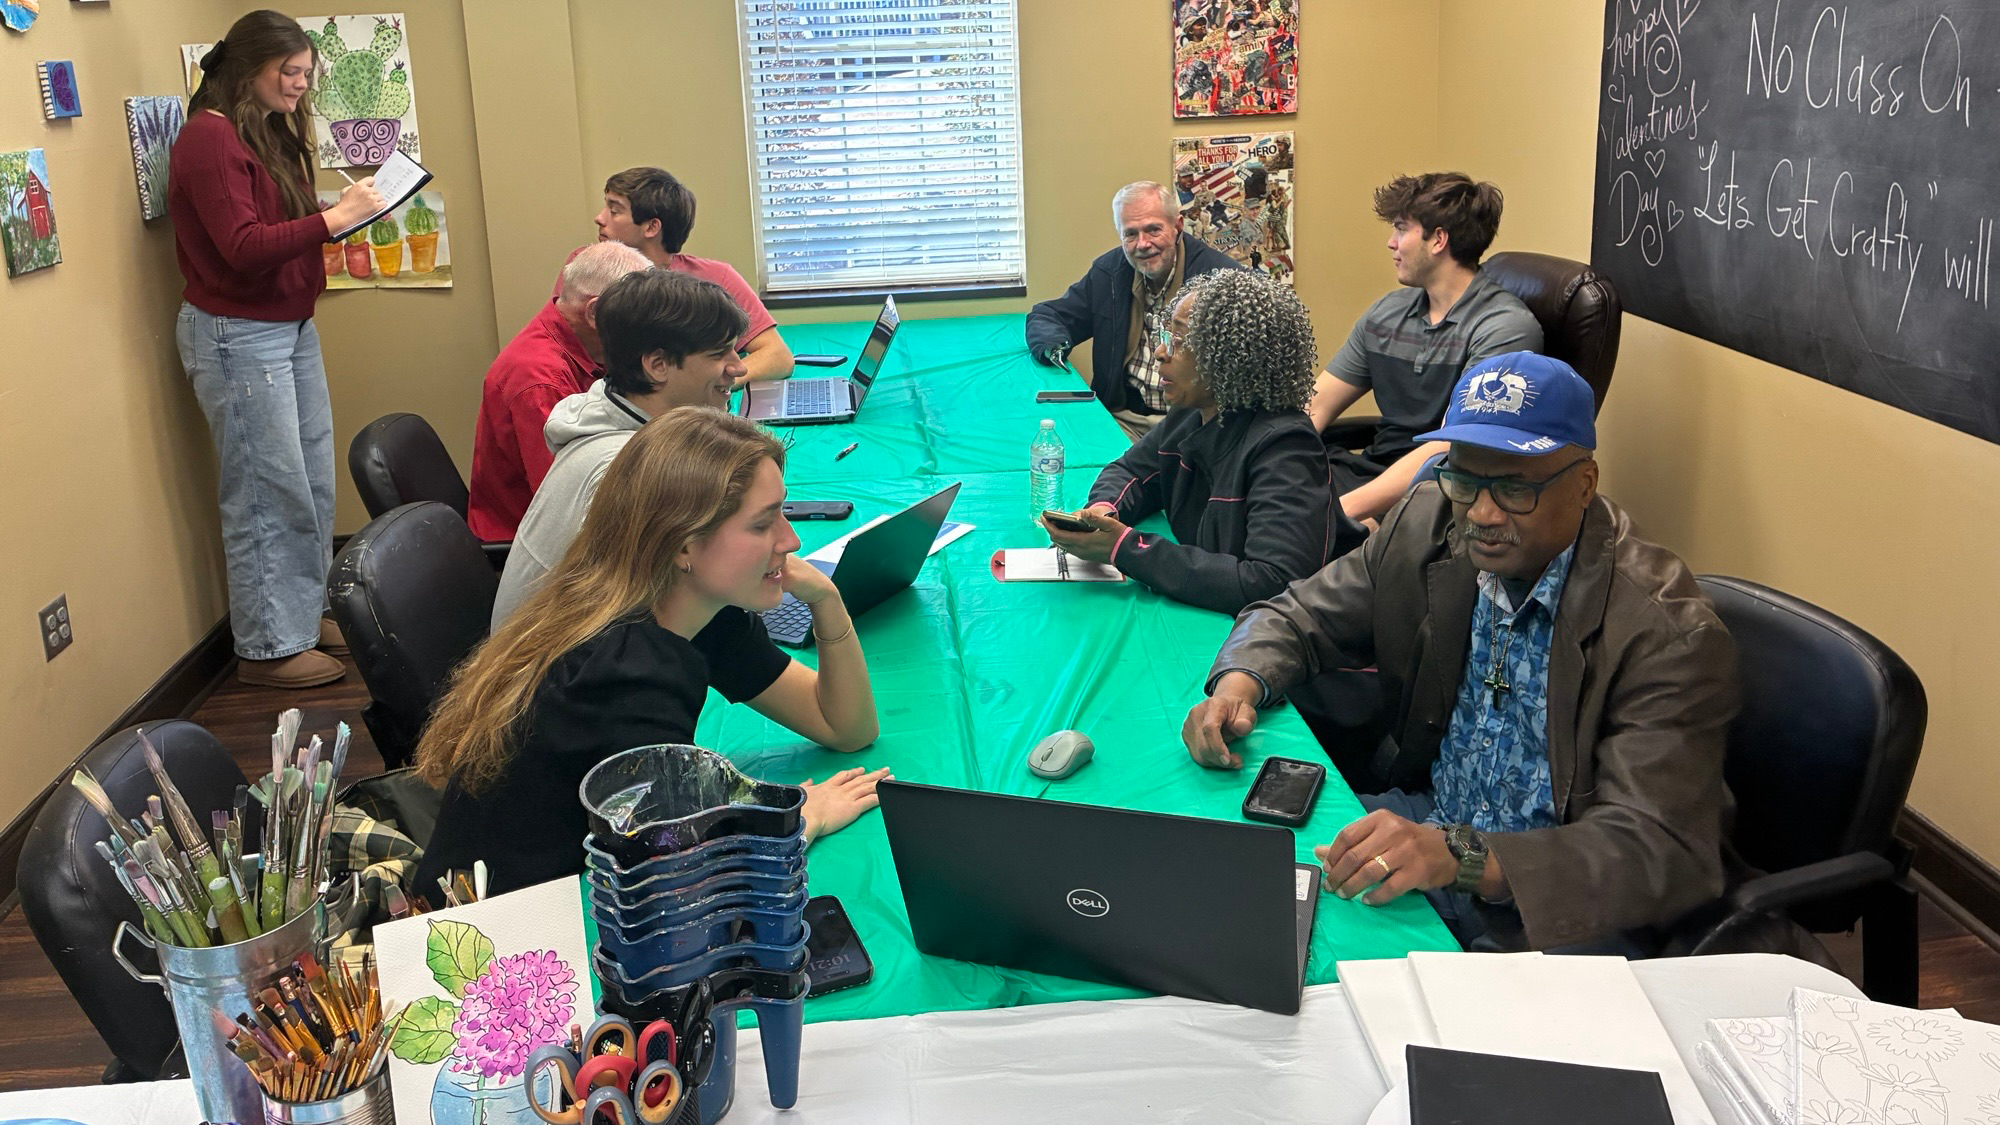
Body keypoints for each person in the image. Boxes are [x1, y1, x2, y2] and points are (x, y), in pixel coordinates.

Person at [1185, 353, 1740, 955]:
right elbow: (1297, 613)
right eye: (1465, 479)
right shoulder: (1428, 523)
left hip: (1558, 901)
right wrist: (1239, 682)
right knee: (1237, 881)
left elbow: (1656, 849)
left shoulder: (1666, 633)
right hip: (1431, 819)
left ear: (1585, 484)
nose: (1482, 513)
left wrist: (1465, 858)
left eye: (1514, 489)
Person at [415, 408, 883, 898]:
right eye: (763, 523)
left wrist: (828, 601)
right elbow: (677, 882)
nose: (791, 539)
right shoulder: (624, 677)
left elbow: (845, 727)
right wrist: (800, 818)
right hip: (506, 930)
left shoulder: (696, 608)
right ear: (684, 545)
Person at [169, 9, 385, 689]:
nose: (299, 85)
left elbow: (276, 226)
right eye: (288, 72)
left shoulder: (260, 131)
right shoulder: (207, 140)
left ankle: (302, 610)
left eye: (305, 74)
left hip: (285, 324)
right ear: (248, 68)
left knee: (312, 478)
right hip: (237, 332)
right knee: (268, 490)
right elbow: (240, 245)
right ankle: (267, 646)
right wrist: (331, 221)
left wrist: (337, 217)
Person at [1043, 269, 1362, 615]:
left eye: (1179, 342)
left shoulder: (1286, 448)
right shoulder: (1192, 414)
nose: (1161, 352)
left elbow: (1273, 583)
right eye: (1166, 336)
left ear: (1232, 358)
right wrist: (1103, 511)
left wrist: (1124, 547)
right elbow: (1132, 471)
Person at [491, 269, 748, 624]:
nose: (739, 367)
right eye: (720, 353)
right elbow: (649, 608)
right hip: (554, 667)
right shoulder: (625, 469)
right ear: (657, 366)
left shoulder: (614, 416)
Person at [1307, 173, 1542, 524]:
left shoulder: (1504, 329)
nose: (1391, 243)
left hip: (1438, 493)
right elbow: (1315, 405)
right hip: (1367, 473)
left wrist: (1339, 514)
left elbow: (1449, 450)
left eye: (1402, 229)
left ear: (1438, 241)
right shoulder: (1387, 313)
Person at [465, 242, 652, 542]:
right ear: (595, 312)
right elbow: (571, 497)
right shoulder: (540, 381)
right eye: (640, 316)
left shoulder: (587, 346)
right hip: (531, 543)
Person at [1026, 181, 1242, 439]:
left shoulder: (1222, 282)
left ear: (1178, 227)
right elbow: (1050, 315)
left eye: (1153, 230)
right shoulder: (1109, 273)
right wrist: (1054, 347)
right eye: (1131, 234)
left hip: (1197, 426)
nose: (1142, 244)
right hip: (1124, 420)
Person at [589, 166, 793, 383]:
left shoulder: (715, 278)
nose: (599, 218)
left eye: (614, 210)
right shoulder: (587, 272)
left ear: (651, 227)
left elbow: (777, 356)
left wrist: (707, 385)